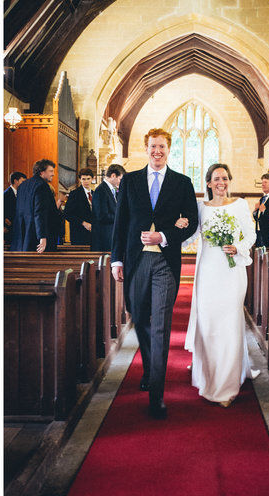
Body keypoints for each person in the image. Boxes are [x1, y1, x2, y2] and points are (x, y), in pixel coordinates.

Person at [111, 128, 199, 419]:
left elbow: (192, 221)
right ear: (146, 148)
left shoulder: (182, 182)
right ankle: (150, 367)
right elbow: (120, 223)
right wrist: (116, 260)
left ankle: (157, 395)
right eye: (152, 146)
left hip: (165, 263)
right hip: (136, 262)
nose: (157, 151)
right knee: (139, 317)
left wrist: (163, 235)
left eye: (162, 146)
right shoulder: (131, 181)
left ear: (168, 149)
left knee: (160, 324)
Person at [176, 164, 259, 408]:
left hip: (232, 273)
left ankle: (226, 384)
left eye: (224, 178)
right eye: (216, 178)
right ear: (209, 183)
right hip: (208, 272)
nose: (221, 182)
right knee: (209, 324)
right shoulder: (201, 208)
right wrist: (177, 228)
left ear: (229, 181)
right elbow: (191, 237)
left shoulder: (240, 205)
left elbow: (250, 235)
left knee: (230, 324)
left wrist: (239, 247)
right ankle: (209, 375)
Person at [11, 160, 58, 252]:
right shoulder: (42, 186)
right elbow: (40, 213)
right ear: (42, 172)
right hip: (36, 238)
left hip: (21, 238)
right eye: (51, 171)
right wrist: (42, 237)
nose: (53, 174)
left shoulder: (22, 185)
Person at [91, 164, 125, 252]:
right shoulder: (100, 191)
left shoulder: (112, 190)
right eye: (120, 179)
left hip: (110, 236)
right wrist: (120, 217)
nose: (121, 182)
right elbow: (102, 216)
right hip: (103, 238)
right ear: (113, 175)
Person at [64, 168, 95, 246]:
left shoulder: (95, 194)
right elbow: (67, 214)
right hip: (79, 233)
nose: (86, 181)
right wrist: (83, 223)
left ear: (92, 179)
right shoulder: (74, 194)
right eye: (83, 179)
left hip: (94, 234)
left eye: (88, 179)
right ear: (80, 180)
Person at [4, 171, 26, 246]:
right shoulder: (6, 194)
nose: (24, 184)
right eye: (22, 181)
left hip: (17, 230)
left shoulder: (21, 194)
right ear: (15, 181)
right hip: (8, 230)